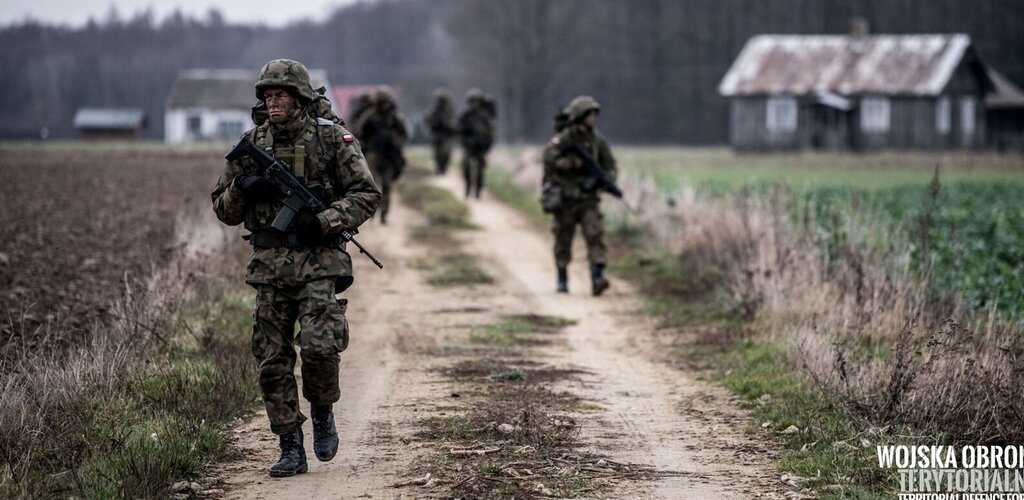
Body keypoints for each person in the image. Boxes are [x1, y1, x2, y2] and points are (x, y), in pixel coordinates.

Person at [211, 59, 381, 478]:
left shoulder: (331, 140)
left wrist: (322, 221)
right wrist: (242, 189)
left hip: (319, 262)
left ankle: (322, 410)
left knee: (321, 349)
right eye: (267, 96)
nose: (273, 103)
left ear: (300, 98)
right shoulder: (252, 144)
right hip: (268, 268)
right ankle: (289, 444)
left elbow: (366, 194)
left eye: (280, 95)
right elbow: (222, 209)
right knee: (272, 359)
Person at [545, 95, 616, 296]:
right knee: (563, 238)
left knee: (595, 235)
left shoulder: (597, 141)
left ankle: (597, 277)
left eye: (595, 114)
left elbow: (609, 165)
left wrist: (604, 180)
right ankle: (562, 277)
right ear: (579, 116)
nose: (593, 118)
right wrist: (567, 164)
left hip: (588, 199)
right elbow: (548, 158)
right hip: (566, 197)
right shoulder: (564, 138)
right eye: (589, 114)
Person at [355, 87, 407, 224]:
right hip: (373, 153)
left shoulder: (394, 117)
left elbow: (403, 134)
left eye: (384, 102)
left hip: (389, 155)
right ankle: (372, 212)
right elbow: (359, 133)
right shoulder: (369, 117)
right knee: (372, 185)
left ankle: (384, 214)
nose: (382, 105)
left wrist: (395, 143)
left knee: (387, 185)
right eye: (380, 102)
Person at [457, 88, 496, 199]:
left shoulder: (484, 117)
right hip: (468, 147)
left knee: (480, 170)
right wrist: (465, 142)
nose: (474, 104)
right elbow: (459, 131)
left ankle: (478, 190)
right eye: (471, 101)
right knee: (466, 167)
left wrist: (486, 146)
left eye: (475, 101)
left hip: (480, 147)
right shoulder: (465, 116)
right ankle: (468, 187)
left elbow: (490, 133)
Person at [424, 88, 457, 175]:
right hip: (437, 134)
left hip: (446, 135)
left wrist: (450, 125)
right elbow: (428, 119)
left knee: (446, 153)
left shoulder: (449, 110)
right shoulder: (434, 110)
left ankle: (443, 167)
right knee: (437, 153)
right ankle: (439, 167)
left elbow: (454, 121)